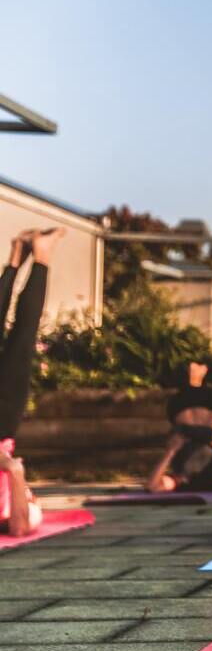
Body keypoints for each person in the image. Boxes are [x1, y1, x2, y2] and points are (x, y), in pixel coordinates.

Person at [0, 228, 65, 536]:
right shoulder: (20, 511)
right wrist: (13, 470)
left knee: (22, 339)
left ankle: (22, 257)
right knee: (22, 340)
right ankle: (33, 256)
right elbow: (20, 528)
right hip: (3, 426)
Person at [145, 361, 212, 493]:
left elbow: (152, 486)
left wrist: (171, 451)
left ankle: (196, 380)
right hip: (203, 426)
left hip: (197, 427)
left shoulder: (179, 480)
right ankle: (196, 380)